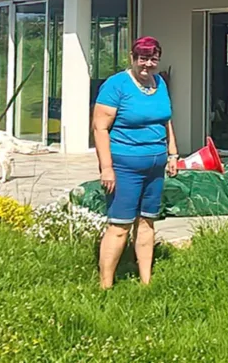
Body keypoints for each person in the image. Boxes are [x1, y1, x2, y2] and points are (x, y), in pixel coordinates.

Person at [92, 36, 178, 289]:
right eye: (143, 58)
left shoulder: (159, 82)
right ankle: (105, 285)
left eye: (153, 59)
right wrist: (106, 168)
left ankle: (146, 281)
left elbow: (166, 120)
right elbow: (99, 128)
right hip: (124, 165)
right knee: (120, 225)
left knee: (147, 221)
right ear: (132, 58)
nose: (147, 64)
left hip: (155, 165)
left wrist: (173, 153)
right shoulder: (116, 85)